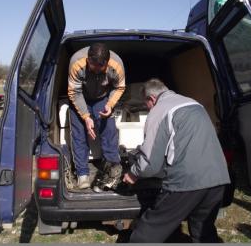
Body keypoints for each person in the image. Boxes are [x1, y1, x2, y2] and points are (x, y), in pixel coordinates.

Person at [123, 78, 230, 243]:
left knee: (150, 229)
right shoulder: (193, 103)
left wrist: (133, 173)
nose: (147, 108)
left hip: (187, 182)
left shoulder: (160, 110)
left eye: (146, 104)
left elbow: (150, 163)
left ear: (151, 99)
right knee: (203, 231)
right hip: (219, 178)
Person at [68, 43, 125, 189]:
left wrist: (110, 104)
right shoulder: (76, 63)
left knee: (109, 130)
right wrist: (86, 117)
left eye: (102, 68)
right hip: (80, 97)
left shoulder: (116, 65)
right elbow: (74, 92)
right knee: (79, 134)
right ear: (88, 60)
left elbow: (119, 87)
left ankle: (112, 170)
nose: (98, 70)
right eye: (94, 67)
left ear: (107, 62)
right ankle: (82, 174)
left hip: (102, 98)